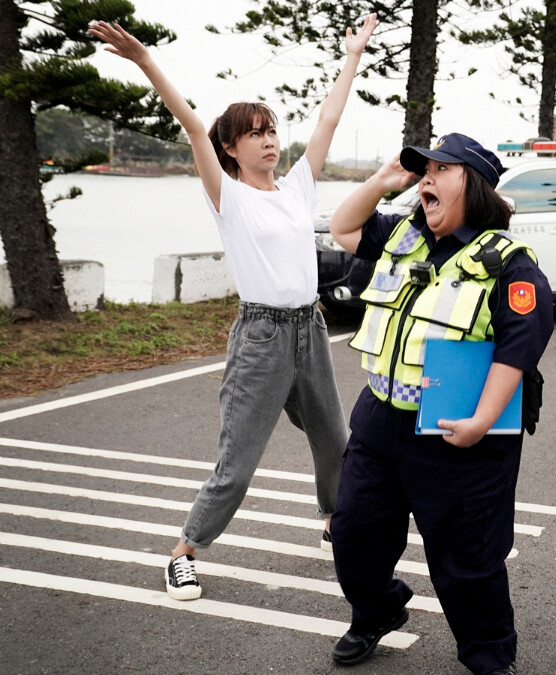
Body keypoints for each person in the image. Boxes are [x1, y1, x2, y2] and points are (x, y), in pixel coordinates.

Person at [87, 15, 378, 601]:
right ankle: (184, 550)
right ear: (231, 147)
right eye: (255, 133)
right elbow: (192, 124)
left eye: (272, 130)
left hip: (310, 330)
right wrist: (146, 61)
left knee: (335, 441)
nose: (269, 140)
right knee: (237, 464)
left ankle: (333, 522)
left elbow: (327, 119)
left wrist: (352, 58)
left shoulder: (297, 186)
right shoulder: (229, 196)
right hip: (263, 338)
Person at [325, 133, 553, 674]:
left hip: (458, 434)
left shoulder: (509, 264)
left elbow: (520, 346)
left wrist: (481, 421)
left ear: (470, 184)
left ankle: (490, 655)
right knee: (355, 533)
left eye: (438, 170)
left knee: (467, 558)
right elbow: (344, 228)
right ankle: (376, 611)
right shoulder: (406, 236)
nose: (424, 179)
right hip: (381, 420)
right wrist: (383, 182)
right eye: (420, 171)